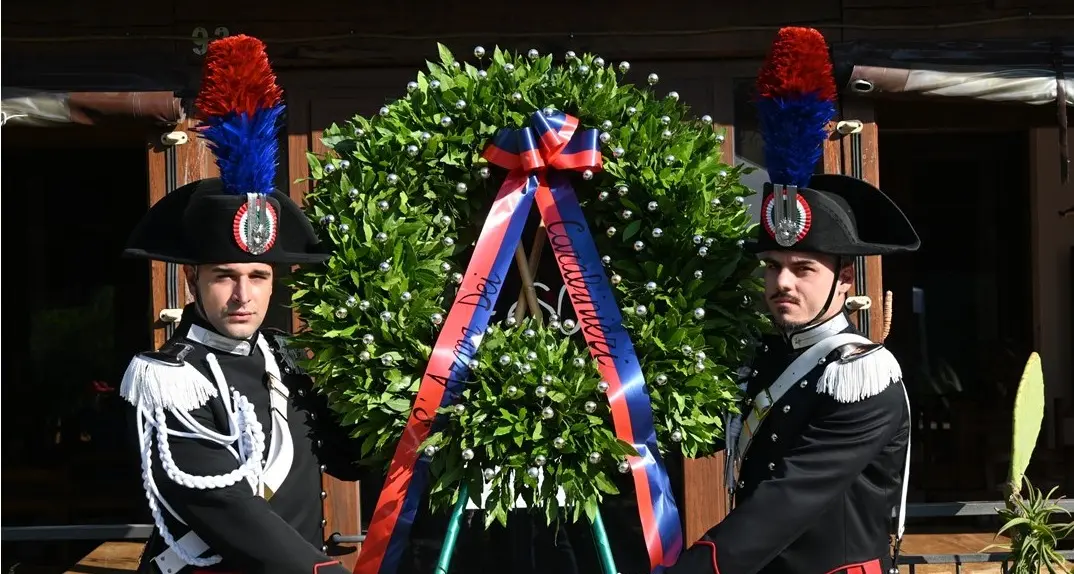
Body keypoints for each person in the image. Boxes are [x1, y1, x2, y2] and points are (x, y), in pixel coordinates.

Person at [665, 27, 921, 574]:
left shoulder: (862, 375)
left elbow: (789, 499)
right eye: (773, 267)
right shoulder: (765, 354)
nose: (783, 283)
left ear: (845, 279)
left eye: (804, 269)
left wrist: (698, 566)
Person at [120, 34, 362, 574]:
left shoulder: (286, 359)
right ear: (192, 278)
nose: (242, 295)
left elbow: (346, 459)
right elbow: (220, 504)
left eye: (257, 275)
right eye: (224, 276)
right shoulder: (170, 379)